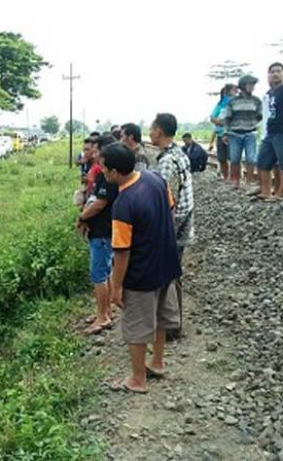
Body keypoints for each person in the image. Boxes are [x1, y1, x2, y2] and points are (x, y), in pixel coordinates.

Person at [100, 144, 181, 394]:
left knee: (136, 327)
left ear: (114, 172)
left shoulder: (123, 203)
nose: (102, 172)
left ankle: (137, 379)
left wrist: (116, 287)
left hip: (141, 273)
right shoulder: (155, 178)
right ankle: (156, 363)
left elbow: (122, 252)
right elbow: (171, 207)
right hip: (166, 263)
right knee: (160, 317)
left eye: (103, 168)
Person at [151, 113, 193, 340]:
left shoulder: (167, 161)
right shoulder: (178, 153)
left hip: (174, 226)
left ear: (159, 131)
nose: (149, 132)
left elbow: (167, 199)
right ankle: (174, 323)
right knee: (174, 273)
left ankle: (172, 326)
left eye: (151, 128)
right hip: (184, 221)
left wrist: (160, 232)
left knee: (168, 274)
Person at [77, 139, 118, 335]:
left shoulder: (108, 178)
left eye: (96, 150)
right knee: (105, 272)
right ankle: (105, 311)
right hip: (100, 232)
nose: (93, 152)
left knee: (99, 275)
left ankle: (103, 317)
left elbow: (100, 204)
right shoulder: (103, 175)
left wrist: (82, 216)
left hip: (103, 233)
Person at [257, 63, 283, 201]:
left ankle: (280, 194)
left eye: (278, 71)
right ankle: (266, 191)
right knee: (262, 162)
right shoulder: (269, 93)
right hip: (270, 132)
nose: (275, 74)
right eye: (272, 71)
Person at [225, 75, 263, 188]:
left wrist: (251, 123)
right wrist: (226, 133)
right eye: (250, 84)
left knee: (251, 159)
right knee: (235, 159)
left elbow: (260, 115)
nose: (252, 87)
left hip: (250, 133)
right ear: (243, 86)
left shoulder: (256, 101)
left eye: (253, 85)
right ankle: (235, 181)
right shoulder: (233, 101)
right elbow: (227, 118)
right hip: (235, 134)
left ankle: (248, 181)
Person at [210, 84, 239, 180]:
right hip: (220, 134)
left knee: (233, 158)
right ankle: (226, 176)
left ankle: (234, 178)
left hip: (233, 135)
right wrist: (221, 122)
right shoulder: (220, 105)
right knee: (222, 158)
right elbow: (212, 117)